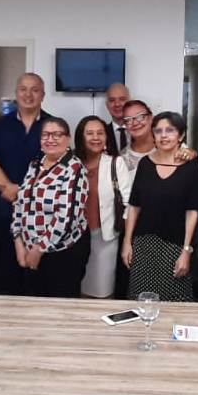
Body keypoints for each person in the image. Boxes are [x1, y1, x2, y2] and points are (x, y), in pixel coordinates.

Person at [0, 73, 52, 295]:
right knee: (7, 269)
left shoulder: (53, 125)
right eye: (23, 89)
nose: (28, 94)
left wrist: (32, 193)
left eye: (35, 90)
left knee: (39, 273)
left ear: (43, 94)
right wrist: (7, 187)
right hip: (8, 207)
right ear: (16, 93)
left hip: (43, 211)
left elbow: (60, 165)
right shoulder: (0, 126)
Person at [122, 112, 198, 302]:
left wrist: (186, 250)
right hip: (143, 246)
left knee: (175, 301)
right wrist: (127, 242)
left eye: (170, 130)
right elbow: (134, 206)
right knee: (141, 300)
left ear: (181, 135)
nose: (164, 135)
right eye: (158, 131)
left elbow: (192, 211)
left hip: (175, 247)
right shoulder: (145, 164)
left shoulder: (191, 166)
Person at [11, 117, 90, 297]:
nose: (50, 139)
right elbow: (20, 203)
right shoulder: (34, 165)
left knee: (59, 307)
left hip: (62, 253)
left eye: (57, 134)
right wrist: (18, 240)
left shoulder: (74, 169)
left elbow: (67, 217)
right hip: (29, 249)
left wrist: (39, 249)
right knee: (34, 306)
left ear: (68, 139)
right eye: (45, 135)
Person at [75, 116, 133, 298]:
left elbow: (128, 203)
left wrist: (126, 238)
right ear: (81, 137)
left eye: (100, 133)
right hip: (73, 240)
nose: (96, 137)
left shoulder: (116, 163)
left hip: (104, 238)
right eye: (90, 133)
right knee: (73, 290)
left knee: (102, 293)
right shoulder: (71, 163)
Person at [103, 83, 132, 153]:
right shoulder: (101, 133)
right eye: (112, 100)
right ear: (107, 105)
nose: (117, 104)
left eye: (122, 99)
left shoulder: (141, 131)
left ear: (130, 102)